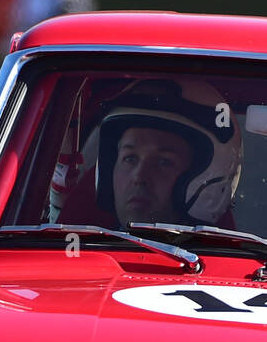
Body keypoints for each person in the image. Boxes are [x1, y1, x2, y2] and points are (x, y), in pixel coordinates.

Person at [90, 79, 242, 230]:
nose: (139, 177)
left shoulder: (240, 254)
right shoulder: (79, 249)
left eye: (164, 162)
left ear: (209, 178)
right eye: (130, 158)